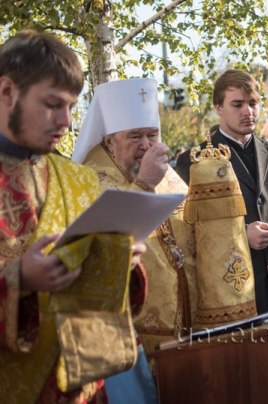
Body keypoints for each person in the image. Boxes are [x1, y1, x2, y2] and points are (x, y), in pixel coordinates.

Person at [0, 30, 145, 402]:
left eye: (71, 106)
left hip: (78, 388)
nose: (65, 121)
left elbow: (104, 296)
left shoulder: (79, 180)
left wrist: (121, 261)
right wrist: (20, 279)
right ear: (6, 92)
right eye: (51, 104)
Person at [72, 78, 199, 362]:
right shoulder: (86, 180)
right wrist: (143, 184)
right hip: (132, 331)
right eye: (135, 136)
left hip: (189, 324)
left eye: (152, 135)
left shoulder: (168, 175)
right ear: (109, 141)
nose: (146, 145)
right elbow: (100, 246)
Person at [176, 69, 268, 313]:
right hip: (231, 294)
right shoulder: (193, 161)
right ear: (219, 107)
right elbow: (186, 231)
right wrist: (240, 236)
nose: (248, 111)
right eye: (237, 104)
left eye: (253, 103)